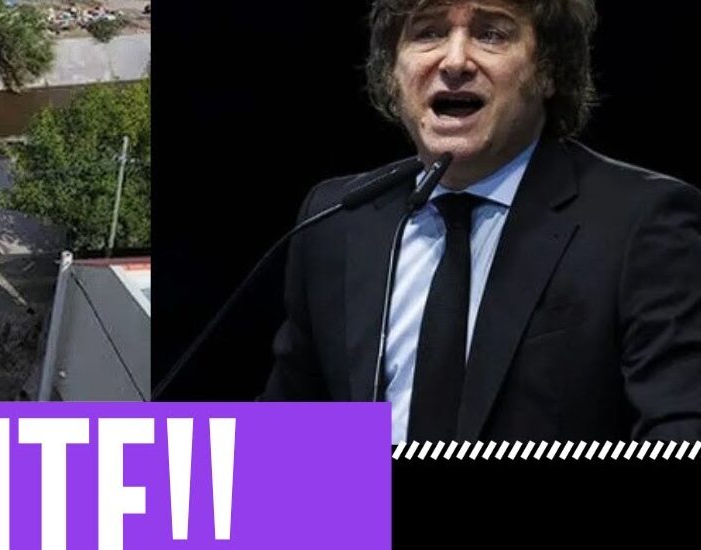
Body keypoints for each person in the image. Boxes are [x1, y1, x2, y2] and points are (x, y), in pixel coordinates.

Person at [260, 0, 701, 442]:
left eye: (491, 34)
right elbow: (284, 443)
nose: (454, 62)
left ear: (549, 69)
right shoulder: (339, 219)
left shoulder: (641, 223)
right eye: (428, 33)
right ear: (392, 71)